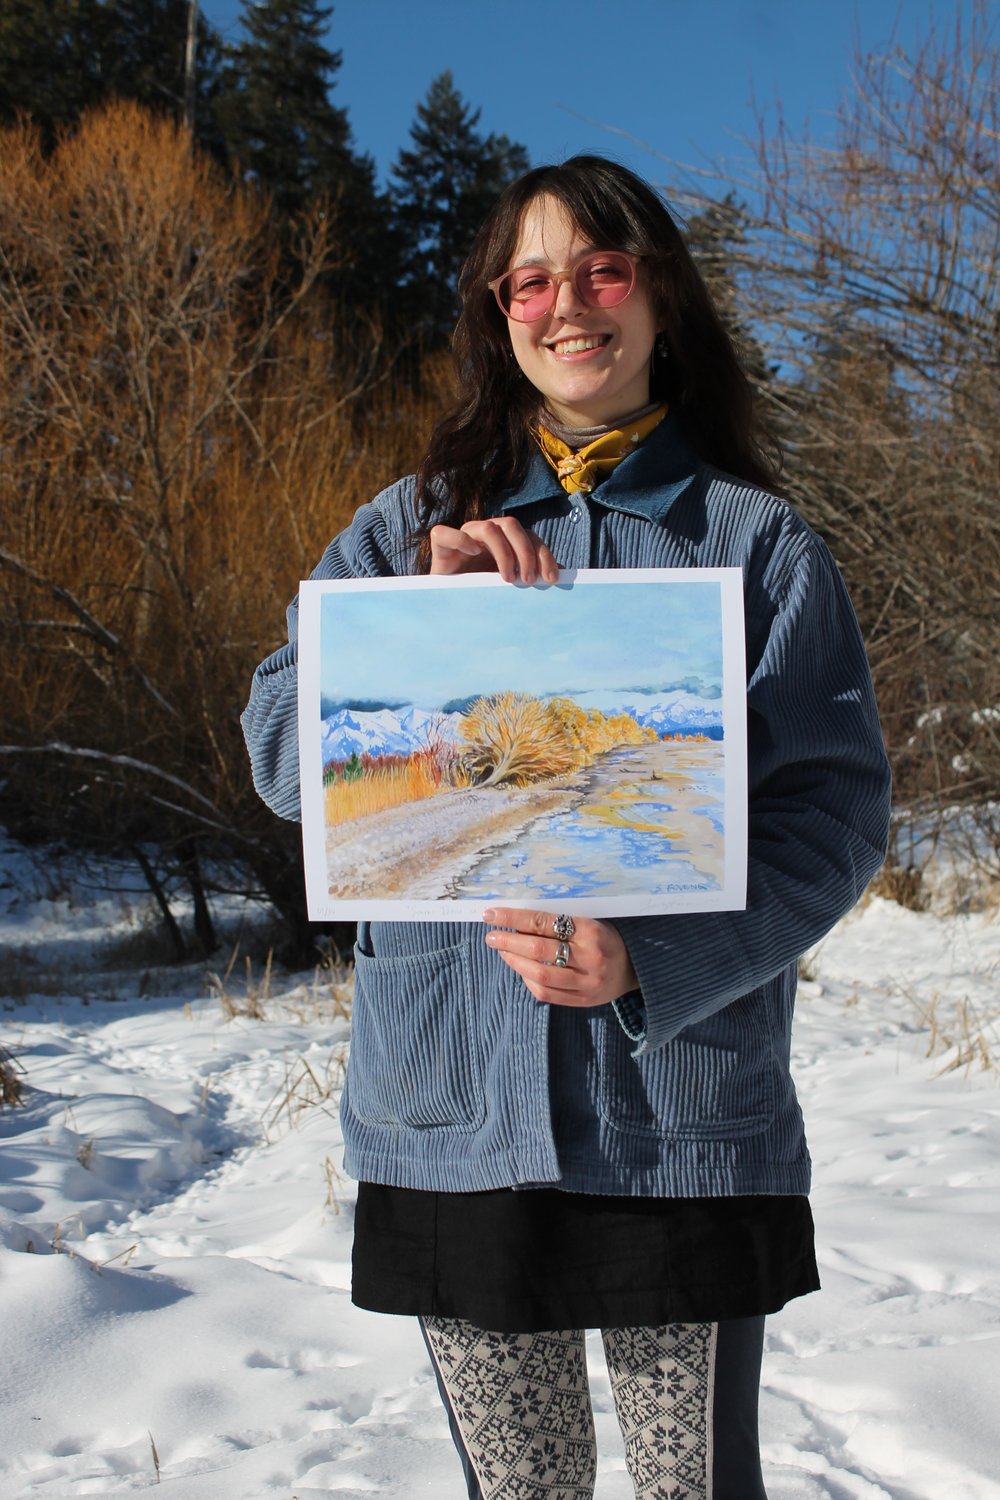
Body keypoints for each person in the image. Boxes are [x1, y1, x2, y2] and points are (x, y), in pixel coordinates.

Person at [242, 156, 891, 1500]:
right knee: (522, 1491)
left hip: (681, 1118)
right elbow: (283, 767)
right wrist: (413, 631)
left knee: (690, 1491)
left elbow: (833, 817)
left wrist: (660, 962)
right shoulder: (402, 530)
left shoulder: (759, 549)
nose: (566, 304)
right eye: (528, 277)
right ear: (499, 313)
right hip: (452, 1111)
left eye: (602, 268)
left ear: (659, 295)